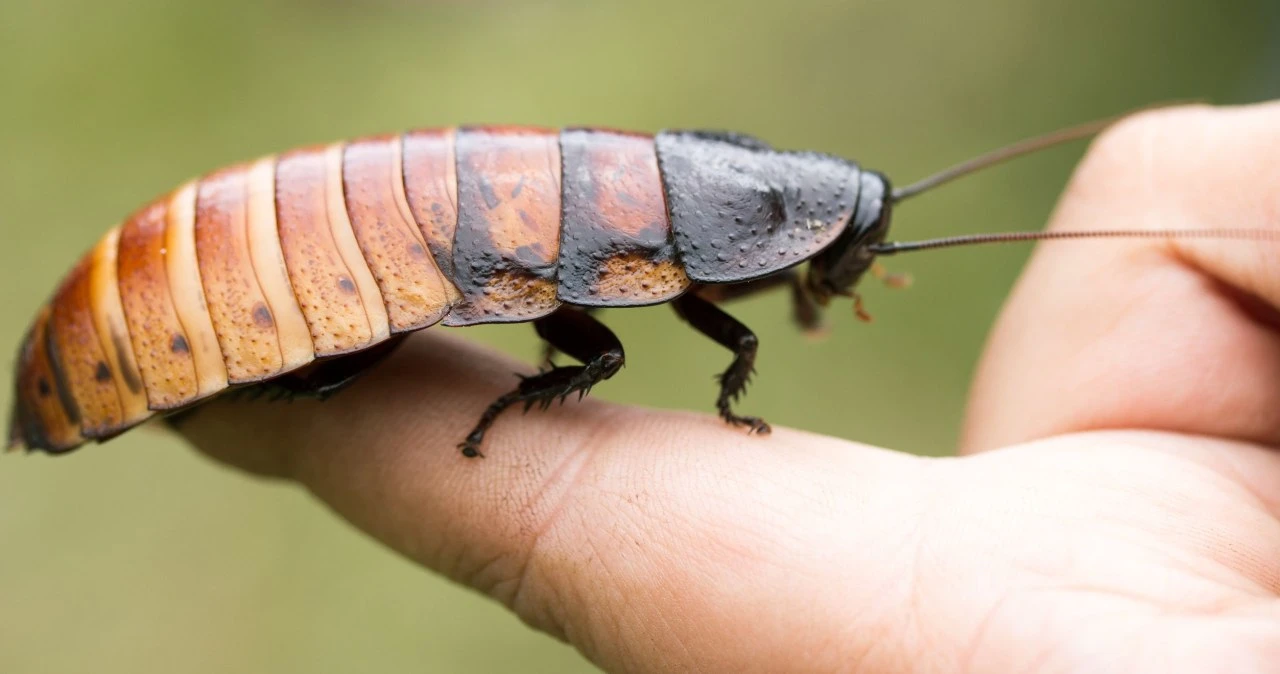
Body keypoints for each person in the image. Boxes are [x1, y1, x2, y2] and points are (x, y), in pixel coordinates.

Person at [179, 103, 1280, 673]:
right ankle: (220, 383)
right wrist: (725, 391)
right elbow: (671, 330)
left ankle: (217, 389)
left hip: (345, 199)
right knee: (575, 352)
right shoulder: (677, 244)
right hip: (308, 229)